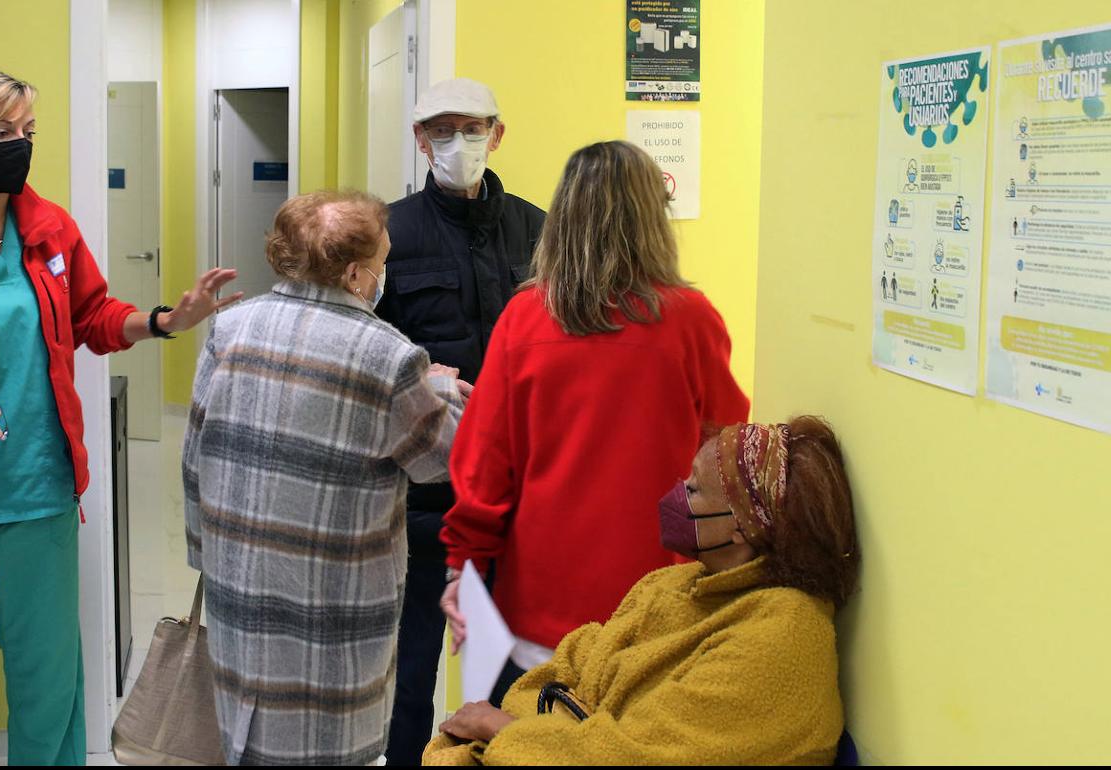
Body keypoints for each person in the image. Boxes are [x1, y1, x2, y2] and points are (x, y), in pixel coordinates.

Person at [0, 67, 240, 765]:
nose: (20, 145)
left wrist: (163, 320)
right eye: (3, 132)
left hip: (39, 491)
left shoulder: (49, 228)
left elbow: (93, 317)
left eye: (28, 132)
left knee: (47, 680)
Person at [439, 140, 750, 701]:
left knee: (534, 748)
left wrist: (462, 564)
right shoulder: (691, 321)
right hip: (658, 604)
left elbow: (485, 463)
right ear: (653, 218)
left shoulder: (524, 318)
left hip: (538, 608)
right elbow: (728, 454)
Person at [182, 190, 468, 765]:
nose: (384, 274)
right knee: (325, 744)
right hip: (332, 606)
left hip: (239, 583)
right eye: (383, 263)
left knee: (246, 737)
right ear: (356, 273)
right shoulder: (386, 355)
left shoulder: (230, 327)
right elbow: (442, 458)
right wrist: (436, 387)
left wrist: (206, 556)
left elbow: (195, 454)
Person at [424, 416, 860, 765]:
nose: (675, 496)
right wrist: (526, 729)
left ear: (745, 525)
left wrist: (501, 729)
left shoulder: (783, 638)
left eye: (693, 489)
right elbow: (565, 671)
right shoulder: (674, 584)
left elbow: (634, 755)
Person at [375, 77, 544, 765]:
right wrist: (419, 371)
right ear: (420, 142)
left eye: (472, 128)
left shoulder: (537, 227)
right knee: (412, 672)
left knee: (513, 672)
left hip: (520, 490)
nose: (458, 143)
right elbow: (367, 346)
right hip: (426, 493)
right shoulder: (390, 231)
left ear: (497, 134)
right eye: (442, 130)